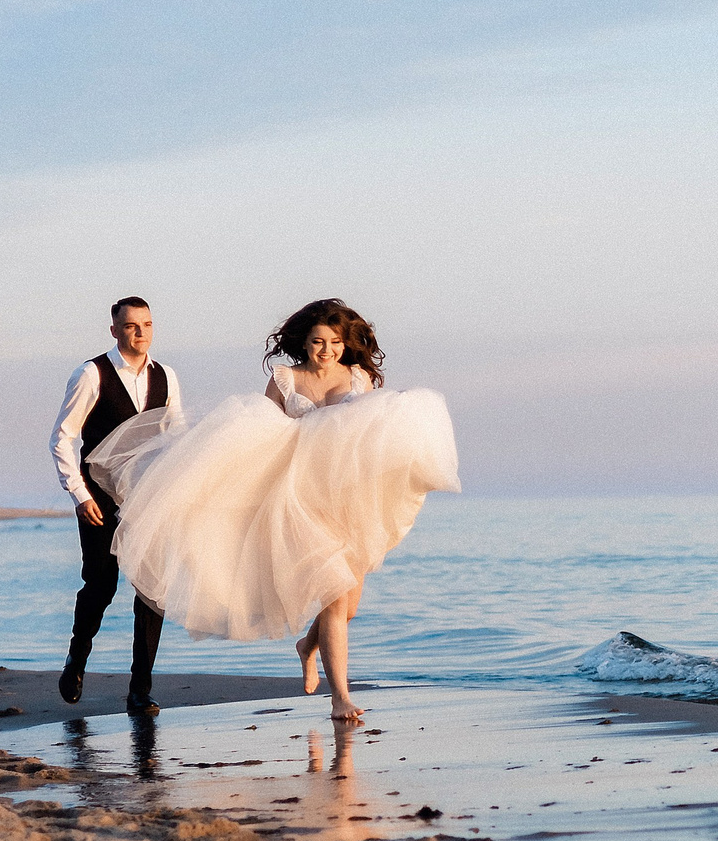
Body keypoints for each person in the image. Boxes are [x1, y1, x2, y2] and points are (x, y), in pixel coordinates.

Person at [83, 297, 458, 724]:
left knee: (348, 608)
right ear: (304, 341)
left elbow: (367, 442)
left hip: (347, 501)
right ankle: (341, 699)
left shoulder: (358, 379)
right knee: (335, 603)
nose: (327, 350)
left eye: (335, 342)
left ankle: (307, 646)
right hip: (300, 503)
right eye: (318, 341)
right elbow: (264, 441)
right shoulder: (285, 380)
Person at [49, 296, 180, 714]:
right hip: (100, 497)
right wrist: (79, 493)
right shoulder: (92, 373)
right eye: (130, 326)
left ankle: (140, 689)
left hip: (148, 495)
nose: (139, 333)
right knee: (101, 585)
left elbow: (174, 437)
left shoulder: (166, 376)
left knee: (152, 590)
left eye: (146, 325)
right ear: (114, 330)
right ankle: (77, 658)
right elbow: (63, 437)